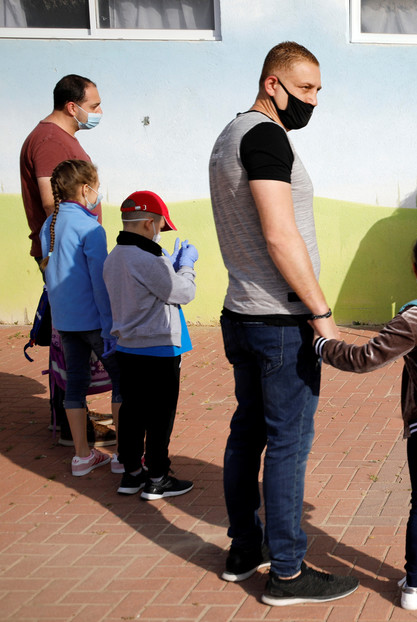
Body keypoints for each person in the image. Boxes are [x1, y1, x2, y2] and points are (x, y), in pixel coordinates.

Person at [209, 41, 358, 605]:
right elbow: (278, 232)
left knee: (248, 432)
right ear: (273, 83)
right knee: (288, 443)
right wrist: (320, 311)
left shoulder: (229, 135)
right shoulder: (265, 135)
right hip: (278, 318)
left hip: (242, 313)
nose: (314, 101)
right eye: (305, 89)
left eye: (319, 90)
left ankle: (245, 549)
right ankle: (289, 572)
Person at [314, 226, 417, 614]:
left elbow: (363, 358)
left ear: (416, 270)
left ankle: (415, 584)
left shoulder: (415, 317)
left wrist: (322, 345)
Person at [103, 191, 196, 500]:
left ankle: (131, 474)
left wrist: (166, 265)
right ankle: (157, 477)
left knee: (131, 413)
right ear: (148, 224)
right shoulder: (147, 257)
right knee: (160, 416)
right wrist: (185, 267)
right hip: (158, 349)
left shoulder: (114, 256)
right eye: (159, 226)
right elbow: (182, 293)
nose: (160, 233)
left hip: (128, 349)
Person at [39, 159, 122, 477]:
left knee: (74, 384)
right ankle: (123, 456)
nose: (98, 193)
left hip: (64, 321)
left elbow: (49, 272)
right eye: (96, 187)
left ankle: (82, 456)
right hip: (93, 320)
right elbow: (100, 282)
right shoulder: (91, 228)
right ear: (86, 188)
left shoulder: (51, 224)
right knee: (121, 381)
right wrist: (109, 324)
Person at [20, 74, 103, 268]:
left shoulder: (59, 138)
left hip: (70, 249)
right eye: (94, 106)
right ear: (72, 107)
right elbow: (52, 203)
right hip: (66, 252)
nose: (100, 111)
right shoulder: (51, 142)